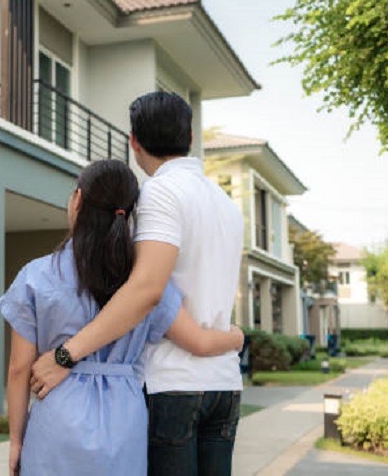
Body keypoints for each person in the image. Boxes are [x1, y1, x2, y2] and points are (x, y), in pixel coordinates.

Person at [30, 92, 245, 475]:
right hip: (224, 385)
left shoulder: (160, 193)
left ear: (134, 142)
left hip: (173, 385)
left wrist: (65, 355)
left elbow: (146, 290)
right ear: (191, 137)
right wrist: (235, 338)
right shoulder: (226, 203)